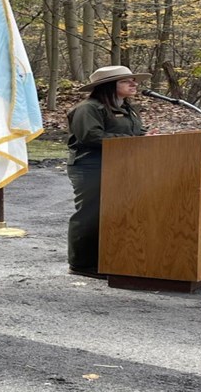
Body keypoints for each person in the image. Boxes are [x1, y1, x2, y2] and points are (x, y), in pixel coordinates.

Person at [66, 65, 157, 279]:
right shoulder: (88, 108)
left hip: (121, 167)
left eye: (134, 80)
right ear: (108, 86)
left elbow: (131, 131)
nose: (134, 84)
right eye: (126, 81)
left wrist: (147, 136)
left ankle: (110, 258)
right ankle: (82, 264)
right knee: (90, 214)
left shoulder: (127, 108)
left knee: (117, 214)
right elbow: (92, 137)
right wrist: (136, 141)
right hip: (91, 167)